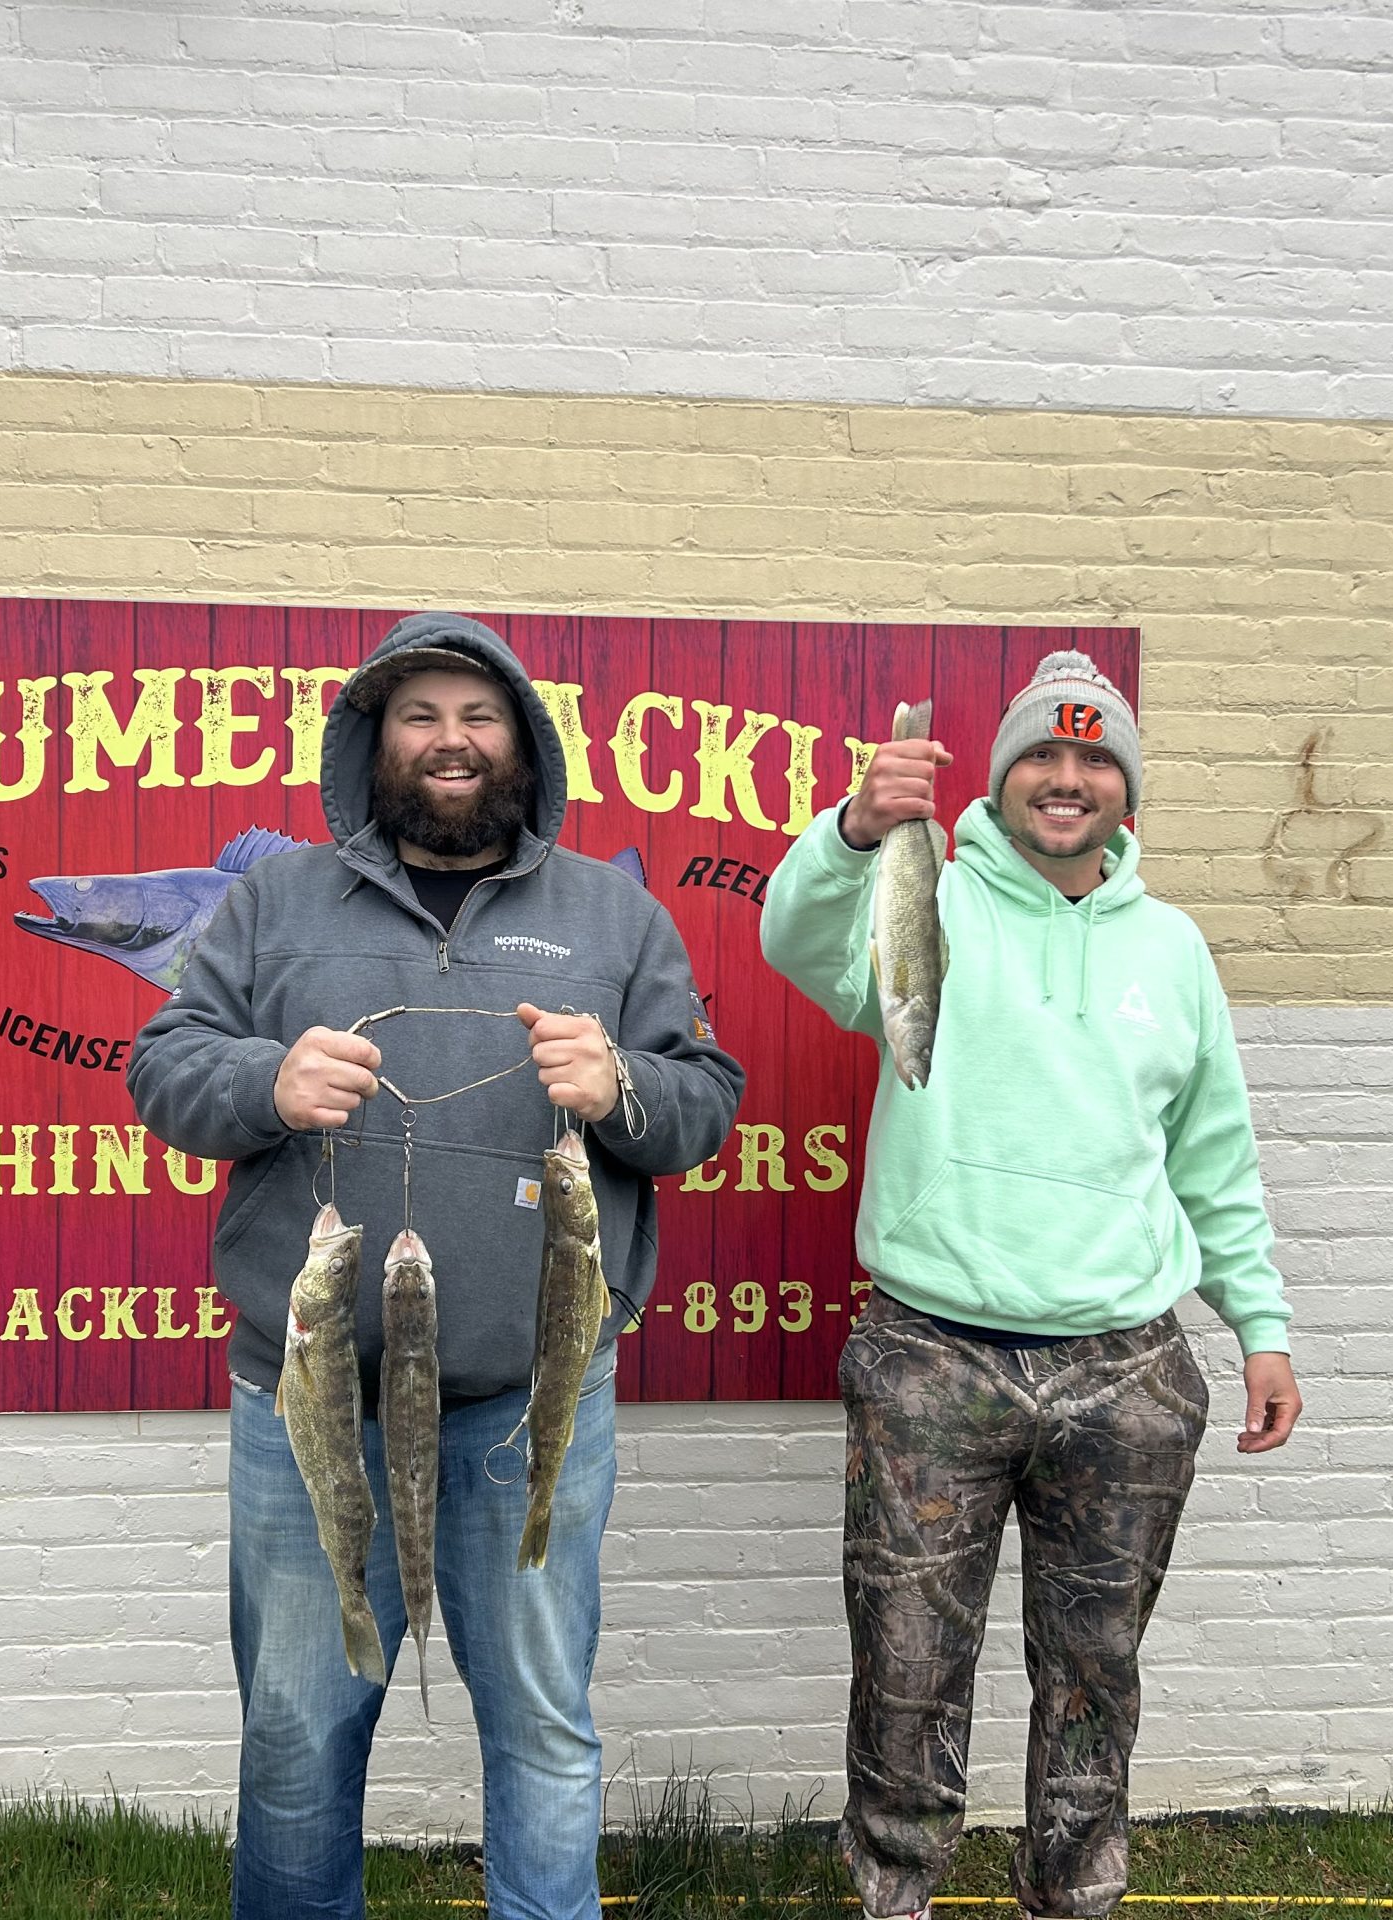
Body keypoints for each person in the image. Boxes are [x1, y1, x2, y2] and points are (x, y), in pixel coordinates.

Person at [128, 613, 745, 1920]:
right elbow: (164, 1068)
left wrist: (623, 1086)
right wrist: (265, 1080)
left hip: (534, 1412)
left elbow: (702, 1104)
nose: (450, 741)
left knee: (542, 1729)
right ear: (374, 742)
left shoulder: (615, 915)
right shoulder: (274, 903)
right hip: (310, 1410)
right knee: (295, 1736)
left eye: (479, 716)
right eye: (420, 716)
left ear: (524, 744)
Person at [758, 651, 1301, 1920]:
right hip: (930, 1356)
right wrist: (855, 830)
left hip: (1126, 1368)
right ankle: (893, 1896)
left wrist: (1260, 1325)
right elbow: (793, 939)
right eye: (1040, 757)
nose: (1067, 778)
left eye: (1094, 758)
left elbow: (1214, 1158)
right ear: (1000, 779)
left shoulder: (1171, 950)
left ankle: (1074, 1896)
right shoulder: (928, 897)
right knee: (906, 1673)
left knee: (1094, 1676)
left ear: (1126, 790)